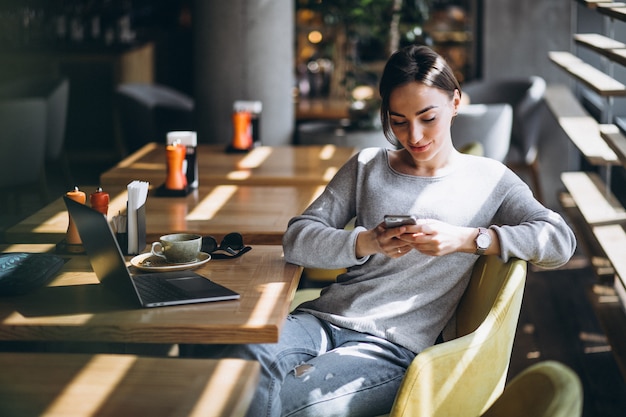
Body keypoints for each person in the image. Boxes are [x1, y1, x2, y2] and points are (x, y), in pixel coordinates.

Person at [201, 45, 577, 417]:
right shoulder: (367, 164)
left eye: (427, 117)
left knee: (288, 400)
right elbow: (297, 239)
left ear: (456, 102)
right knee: (241, 364)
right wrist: (366, 241)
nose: (413, 136)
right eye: (399, 121)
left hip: (392, 348)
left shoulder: (491, 179)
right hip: (322, 320)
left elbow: (559, 241)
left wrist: (468, 239)